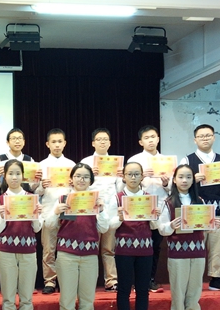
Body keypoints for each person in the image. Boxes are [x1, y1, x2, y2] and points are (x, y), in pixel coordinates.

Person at [45, 163, 109, 310]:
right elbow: (49, 225)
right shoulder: (63, 199)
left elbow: (104, 228)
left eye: (86, 177)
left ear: (91, 180)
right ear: (71, 179)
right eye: (78, 176)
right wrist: (56, 212)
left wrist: (101, 210)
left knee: (87, 296)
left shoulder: (96, 201)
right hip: (67, 254)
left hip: (89, 254)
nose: (82, 180)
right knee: (67, 296)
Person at [158, 164, 220, 310]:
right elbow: (162, 229)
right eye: (181, 177)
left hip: (198, 251)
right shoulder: (168, 202)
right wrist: (171, 225)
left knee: (195, 289)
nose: (184, 180)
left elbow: (205, 227)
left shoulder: (200, 201)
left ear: (193, 180)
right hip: (177, 252)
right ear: (174, 180)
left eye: (188, 177)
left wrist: (213, 225)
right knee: (179, 290)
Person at [181, 124, 220, 292]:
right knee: (195, 244)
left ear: (214, 137)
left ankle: (216, 279)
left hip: (218, 208)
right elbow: (177, 183)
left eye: (208, 135)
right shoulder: (187, 160)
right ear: (195, 140)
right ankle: (193, 280)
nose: (205, 138)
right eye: (201, 136)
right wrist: (192, 179)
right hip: (196, 209)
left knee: (217, 246)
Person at [106, 161, 158, 310]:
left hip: (145, 249)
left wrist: (155, 216)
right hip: (124, 249)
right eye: (130, 174)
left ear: (142, 176)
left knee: (143, 290)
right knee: (124, 289)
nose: (133, 177)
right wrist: (120, 218)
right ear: (123, 177)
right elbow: (109, 225)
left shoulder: (149, 198)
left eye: (137, 174)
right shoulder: (117, 198)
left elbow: (155, 226)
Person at [0, 160, 43, 310]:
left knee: (26, 295)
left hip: (28, 251)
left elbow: (37, 228)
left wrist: (36, 215)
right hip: (6, 252)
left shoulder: (32, 198)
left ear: (23, 176)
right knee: (8, 295)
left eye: (17, 173)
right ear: (5, 177)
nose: (14, 177)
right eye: (10, 174)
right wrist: (3, 216)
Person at [128, 125, 171, 293]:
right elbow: (126, 184)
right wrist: (140, 176)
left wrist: (166, 183)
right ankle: (135, 280)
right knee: (137, 245)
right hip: (139, 208)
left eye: (153, 137)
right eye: (146, 138)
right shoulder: (135, 160)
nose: (150, 140)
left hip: (160, 208)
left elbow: (173, 188)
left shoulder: (167, 161)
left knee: (155, 245)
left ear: (158, 138)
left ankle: (150, 279)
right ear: (141, 142)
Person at [81, 128, 122, 292]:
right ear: (93, 143)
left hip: (110, 210)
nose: (102, 142)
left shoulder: (116, 162)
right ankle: (88, 281)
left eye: (105, 139)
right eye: (99, 139)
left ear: (110, 143)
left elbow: (120, 189)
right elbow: (79, 187)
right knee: (90, 249)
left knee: (109, 249)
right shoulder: (86, 162)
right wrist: (90, 175)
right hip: (91, 210)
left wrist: (121, 177)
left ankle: (111, 280)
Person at [35, 128, 75, 294]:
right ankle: (50, 281)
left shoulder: (72, 165)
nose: (57, 145)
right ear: (47, 144)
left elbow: (79, 189)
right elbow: (35, 192)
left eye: (60, 141)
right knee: (49, 249)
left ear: (64, 143)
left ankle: (67, 280)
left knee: (68, 249)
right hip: (49, 210)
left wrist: (74, 185)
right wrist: (41, 186)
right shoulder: (41, 165)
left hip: (68, 212)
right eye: (54, 142)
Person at [0, 128, 41, 193]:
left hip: (24, 197)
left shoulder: (29, 160)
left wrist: (37, 180)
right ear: (7, 142)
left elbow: (31, 188)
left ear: (24, 142)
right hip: (4, 196)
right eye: (14, 138)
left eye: (20, 138)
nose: (17, 141)